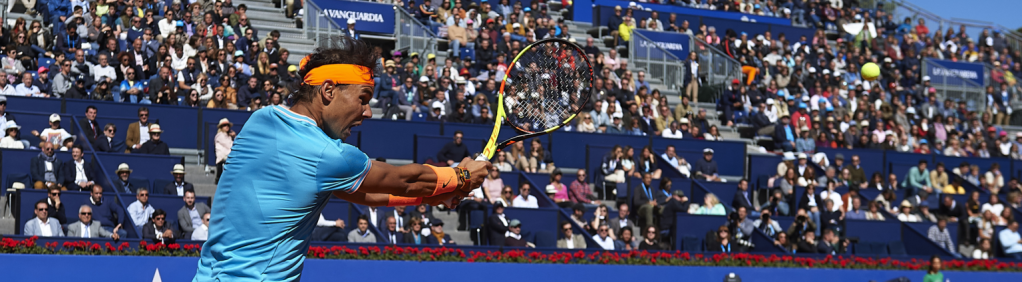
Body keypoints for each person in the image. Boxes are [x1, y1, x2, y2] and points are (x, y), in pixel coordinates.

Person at [195, 42, 490, 281]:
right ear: (328, 90)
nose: (368, 112)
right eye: (363, 98)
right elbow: (404, 179)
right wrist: (461, 175)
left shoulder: (260, 120)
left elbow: (363, 193)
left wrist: (430, 199)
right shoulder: (327, 154)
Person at [214, 118, 236, 183]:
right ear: (221, 127)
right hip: (223, 158)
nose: (226, 126)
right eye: (224, 125)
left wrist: (234, 136)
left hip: (229, 157)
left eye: (228, 125)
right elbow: (231, 146)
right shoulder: (220, 135)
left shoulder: (229, 136)